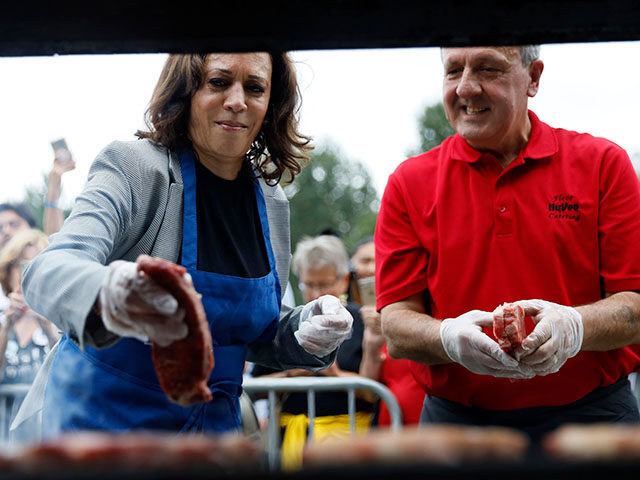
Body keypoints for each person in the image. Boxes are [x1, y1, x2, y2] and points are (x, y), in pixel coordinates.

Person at [17, 52, 353, 438]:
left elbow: (257, 334)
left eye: (255, 87)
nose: (237, 101)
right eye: (219, 82)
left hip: (210, 436)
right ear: (186, 90)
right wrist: (108, 293)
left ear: (270, 104)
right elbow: (48, 268)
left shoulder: (271, 200)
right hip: (103, 423)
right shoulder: (133, 168)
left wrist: (307, 329)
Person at [375, 45, 640, 443]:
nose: (466, 88)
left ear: (533, 77)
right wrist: (447, 337)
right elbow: (395, 325)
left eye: (487, 69)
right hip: (459, 425)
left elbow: (634, 304)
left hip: (594, 417)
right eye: (453, 71)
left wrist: (575, 326)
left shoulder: (602, 163)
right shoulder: (409, 182)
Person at [252, 234, 372, 470]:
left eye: (324, 284)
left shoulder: (363, 321)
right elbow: (255, 387)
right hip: (292, 439)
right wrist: (289, 376)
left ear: (344, 279)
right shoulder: (289, 325)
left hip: (349, 440)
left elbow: (376, 390)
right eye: (309, 284)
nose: (317, 293)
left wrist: (336, 376)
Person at [352, 237, 423, 426]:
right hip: (390, 427)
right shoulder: (354, 315)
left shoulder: (418, 308)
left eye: (378, 260)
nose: (373, 268)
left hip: (429, 426)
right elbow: (367, 392)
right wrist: (371, 345)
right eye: (365, 261)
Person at [0, 229, 59, 441]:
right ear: (10, 269)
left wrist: (45, 323)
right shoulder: (2, 314)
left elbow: (67, 367)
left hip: (46, 437)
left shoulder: (59, 315)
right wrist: (7, 326)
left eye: (36, 265)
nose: (27, 274)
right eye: (22, 265)